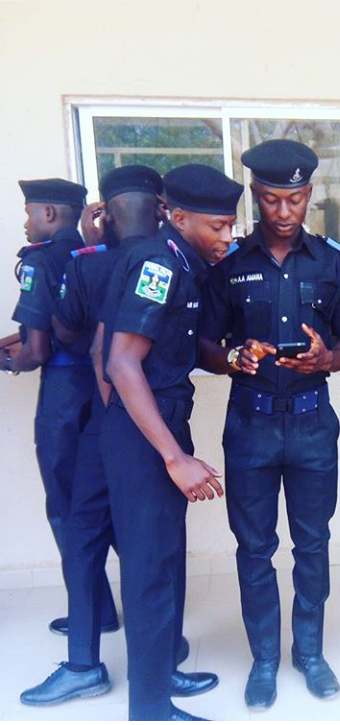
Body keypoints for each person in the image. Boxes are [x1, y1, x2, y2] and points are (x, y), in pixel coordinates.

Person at [198, 139, 340, 710]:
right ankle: (265, 658)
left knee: (312, 543)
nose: (284, 211)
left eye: (294, 199)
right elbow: (202, 344)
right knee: (254, 547)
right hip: (250, 425)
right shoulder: (229, 266)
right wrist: (232, 357)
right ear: (256, 196)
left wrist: (328, 360)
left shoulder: (334, 264)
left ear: (309, 194)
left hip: (313, 424)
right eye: (271, 199)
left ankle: (310, 653)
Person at [18, 165, 191, 705]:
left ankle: (86, 664)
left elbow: (69, 332)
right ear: (162, 208)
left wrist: (92, 248)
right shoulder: (171, 259)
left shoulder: (88, 262)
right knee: (156, 549)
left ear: (106, 213)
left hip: (95, 420)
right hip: (147, 422)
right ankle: (164, 664)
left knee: (84, 533)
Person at [99, 163, 243, 721]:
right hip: (145, 436)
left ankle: (161, 671)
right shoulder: (158, 265)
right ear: (178, 217)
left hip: (160, 425)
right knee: (149, 569)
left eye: (231, 225)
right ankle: (150, 706)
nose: (227, 237)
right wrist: (174, 456)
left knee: (165, 559)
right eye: (217, 226)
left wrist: (232, 358)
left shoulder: (184, 262)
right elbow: (122, 363)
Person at [3, 178, 120, 637]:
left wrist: (9, 362)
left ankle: (94, 612)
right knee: (111, 501)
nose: (26, 222)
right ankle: (142, 607)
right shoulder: (97, 254)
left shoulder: (41, 261)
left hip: (65, 398)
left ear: (49, 214)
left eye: (29, 212)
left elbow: (35, 351)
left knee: (67, 506)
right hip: (106, 388)